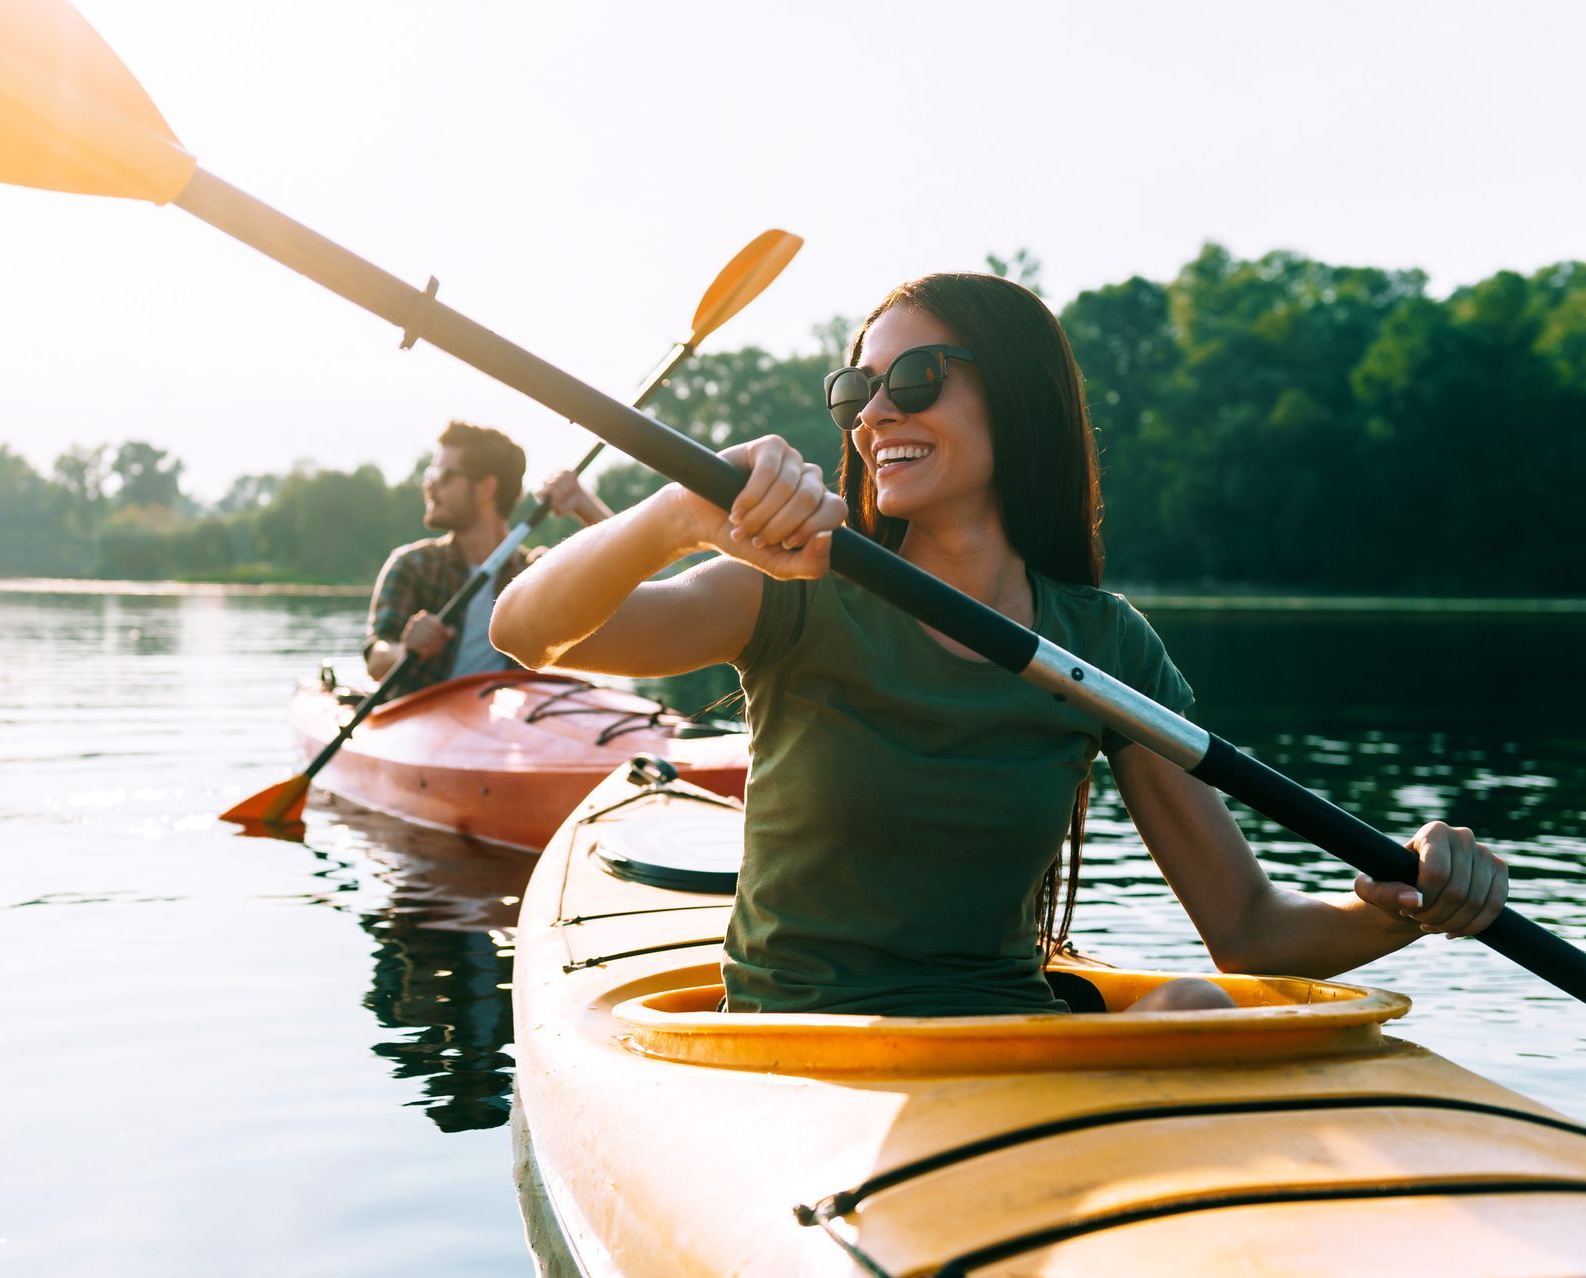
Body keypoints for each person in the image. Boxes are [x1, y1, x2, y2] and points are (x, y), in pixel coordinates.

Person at [490, 273, 1508, 1017]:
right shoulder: (794, 589)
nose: (877, 412)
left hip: (1008, 1043)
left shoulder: (1104, 647)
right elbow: (526, 631)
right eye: (858, 394)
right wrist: (677, 513)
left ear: (1015, 396)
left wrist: (1410, 902)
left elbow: (1247, 929)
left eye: (918, 378)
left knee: (1194, 1002)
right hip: (796, 1051)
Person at [364, 420, 610, 696]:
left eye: (443, 476)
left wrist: (582, 503)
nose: (430, 487)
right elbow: (376, 659)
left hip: (504, 726)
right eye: (429, 474)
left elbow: (627, 570)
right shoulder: (412, 565)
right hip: (420, 721)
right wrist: (406, 650)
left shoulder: (534, 574)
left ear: (485, 489)